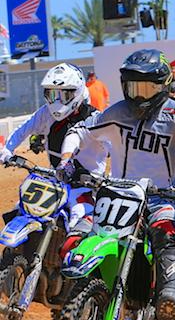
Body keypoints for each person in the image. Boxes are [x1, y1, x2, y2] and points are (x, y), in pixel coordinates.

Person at [60, 49, 175, 320]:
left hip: (164, 195)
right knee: (82, 230)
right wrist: (66, 159)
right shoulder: (118, 112)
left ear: (162, 86)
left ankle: (168, 299)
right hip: (119, 194)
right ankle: (83, 296)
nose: (138, 96)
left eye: (146, 88)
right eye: (133, 87)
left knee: (164, 231)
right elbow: (80, 130)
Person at [0, 63, 104, 241]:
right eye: (52, 95)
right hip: (55, 180)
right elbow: (22, 130)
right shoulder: (45, 114)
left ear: (78, 92)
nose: (57, 102)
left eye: (64, 95)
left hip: (86, 186)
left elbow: (117, 146)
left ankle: (75, 256)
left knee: (79, 220)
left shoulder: (95, 119)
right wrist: (6, 150)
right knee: (21, 208)